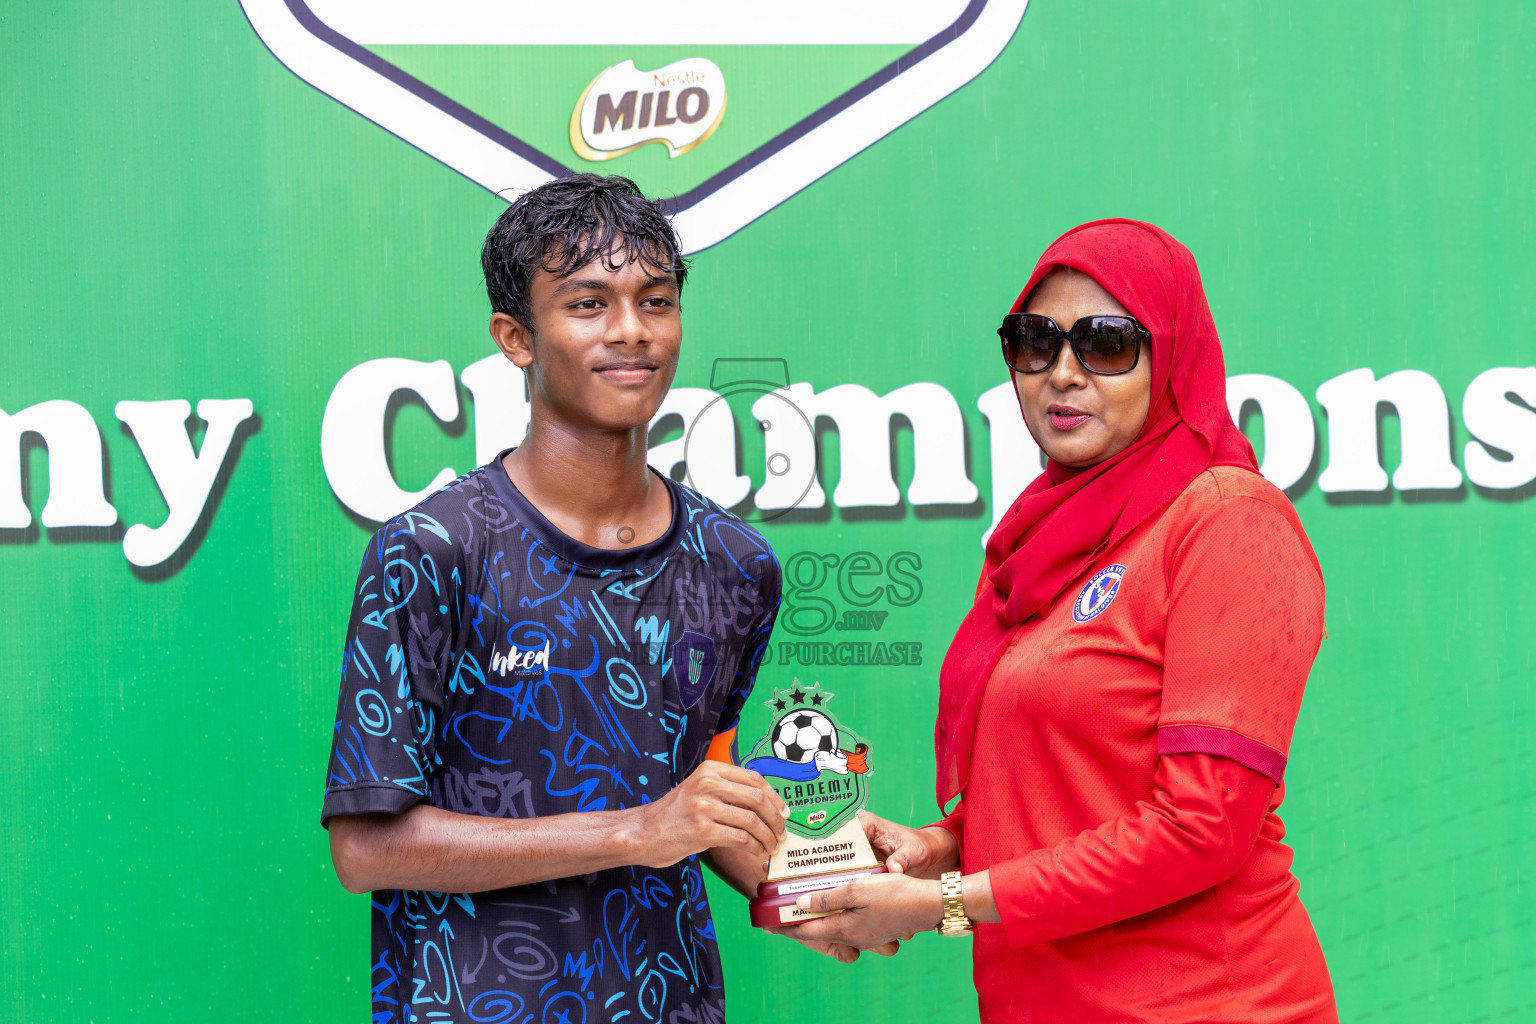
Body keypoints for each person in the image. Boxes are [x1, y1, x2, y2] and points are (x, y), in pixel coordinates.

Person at [777, 219, 1338, 1023]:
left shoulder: (1225, 520)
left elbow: (1200, 830)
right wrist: (938, 850)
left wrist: (942, 903)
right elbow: (1060, 795)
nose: (1063, 374)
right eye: (1034, 342)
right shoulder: (1043, 538)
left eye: (1106, 344)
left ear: (1171, 354)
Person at [321, 174, 798, 1024]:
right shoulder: (431, 551)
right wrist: (635, 831)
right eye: (588, 303)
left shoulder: (737, 565)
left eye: (656, 301)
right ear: (516, 337)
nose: (631, 332)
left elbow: (700, 782)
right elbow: (366, 846)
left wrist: (821, 879)